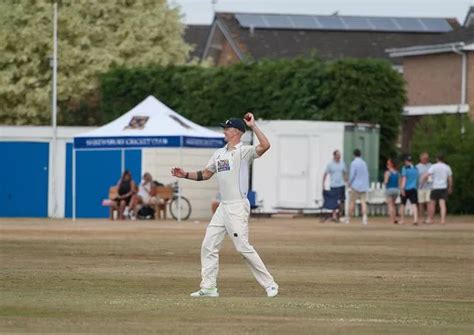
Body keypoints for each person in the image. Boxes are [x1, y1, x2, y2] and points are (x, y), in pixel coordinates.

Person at [171, 113, 278, 298]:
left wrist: (254, 126)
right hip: (223, 207)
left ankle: (270, 284)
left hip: (238, 206)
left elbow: (265, 146)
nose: (224, 131)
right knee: (208, 245)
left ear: (236, 132)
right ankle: (209, 287)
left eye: (227, 128)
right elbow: (205, 174)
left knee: (243, 248)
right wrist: (185, 174)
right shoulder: (219, 153)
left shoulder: (244, 152)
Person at [421, 154, 453, 225]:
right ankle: (443, 220)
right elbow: (450, 178)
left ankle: (431, 219)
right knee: (442, 204)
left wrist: (422, 183)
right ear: (443, 159)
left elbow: (426, 175)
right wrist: (450, 187)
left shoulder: (433, 166)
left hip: (435, 187)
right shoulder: (447, 167)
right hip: (443, 187)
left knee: (432, 204)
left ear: (437, 159)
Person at [322, 150, 347, 222]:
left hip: (341, 185)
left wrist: (346, 181)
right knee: (333, 201)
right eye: (338, 155)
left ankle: (340, 214)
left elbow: (345, 172)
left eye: (340, 155)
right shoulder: (330, 164)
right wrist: (323, 183)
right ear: (334, 156)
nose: (339, 156)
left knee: (342, 200)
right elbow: (325, 174)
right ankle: (334, 215)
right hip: (333, 185)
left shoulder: (342, 163)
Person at [347, 149, 370, 225]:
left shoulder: (354, 163)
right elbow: (366, 174)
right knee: (363, 202)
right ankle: (364, 218)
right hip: (363, 185)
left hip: (356, 185)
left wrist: (349, 183)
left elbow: (352, 174)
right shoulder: (364, 163)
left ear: (354, 155)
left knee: (352, 202)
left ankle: (348, 218)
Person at [400, 155, 419, 225]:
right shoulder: (416, 168)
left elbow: (404, 179)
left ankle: (402, 220)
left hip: (406, 188)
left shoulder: (404, 168)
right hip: (413, 188)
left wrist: (402, 188)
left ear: (405, 161)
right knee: (414, 204)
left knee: (403, 204)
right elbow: (417, 179)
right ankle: (415, 219)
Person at [416, 152, 432, 224]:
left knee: (429, 202)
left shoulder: (431, 165)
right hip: (420, 187)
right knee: (421, 203)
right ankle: (422, 218)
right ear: (421, 158)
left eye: (427, 158)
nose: (426, 160)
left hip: (429, 187)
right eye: (424, 158)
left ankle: (429, 218)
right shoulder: (417, 167)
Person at [383, 159, 399, 224]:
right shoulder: (397, 172)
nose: (387, 165)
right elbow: (399, 182)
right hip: (396, 189)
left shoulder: (388, 172)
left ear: (391, 165)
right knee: (393, 205)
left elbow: (386, 181)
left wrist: (384, 182)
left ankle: (391, 220)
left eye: (388, 164)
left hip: (389, 189)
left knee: (390, 205)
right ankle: (394, 218)